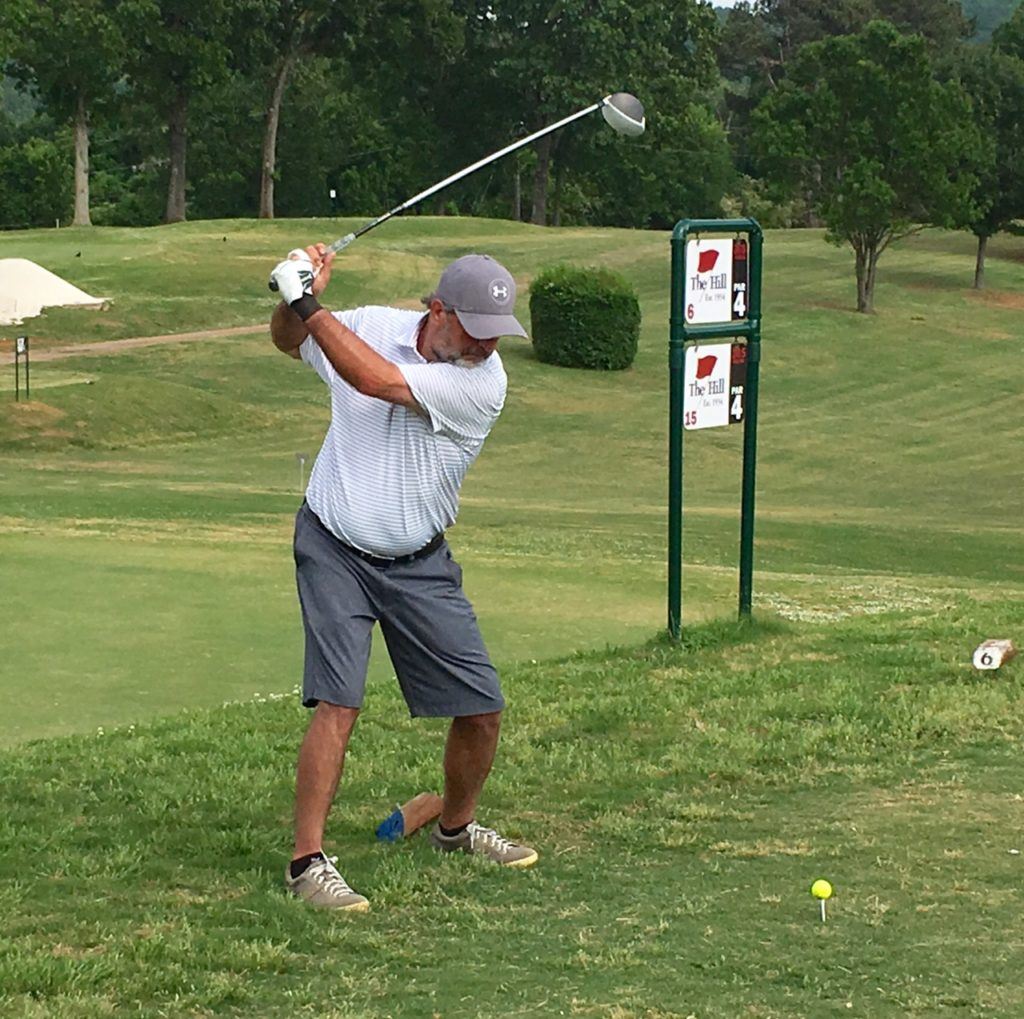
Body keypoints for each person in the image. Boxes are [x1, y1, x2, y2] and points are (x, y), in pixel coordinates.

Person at [268, 244, 538, 911]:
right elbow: (291, 341)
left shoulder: (484, 382)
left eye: (495, 336)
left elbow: (376, 381)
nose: (485, 346)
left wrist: (308, 299)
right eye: (475, 330)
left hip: (419, 558)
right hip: (333, 541)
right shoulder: (371, 323)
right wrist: (291, 301)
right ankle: (307, 863)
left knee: (482, 706)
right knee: (339, 699)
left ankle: (454, 827)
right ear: (438, 311)